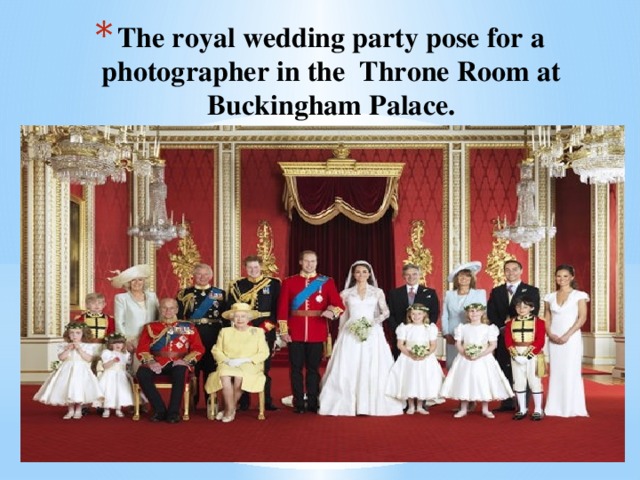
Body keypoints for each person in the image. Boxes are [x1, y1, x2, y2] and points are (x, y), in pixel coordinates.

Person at [319, 260, 403, 416]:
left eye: (364, 272)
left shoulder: (377, 292)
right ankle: (347, 404)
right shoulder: (346, 293)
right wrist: (342, 332)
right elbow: (343, 315)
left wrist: (372, 323)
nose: (361, 274)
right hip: (351, 331)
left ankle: (370, 404)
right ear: (353, 275)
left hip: (372, 332)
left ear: (369, 274)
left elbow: (385, 312)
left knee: (372, 365)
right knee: (349, 365)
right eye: (358, 272)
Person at [277, 250, 344, 414]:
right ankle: (298, 402)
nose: (310, 264)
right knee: (296, 370)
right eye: (306, 261)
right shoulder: (289, 282)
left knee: (314, 370)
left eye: (313, 261)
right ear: (300, 262)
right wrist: (284, 331)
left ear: (317, 262)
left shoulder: (326, 282)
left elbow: (339, 305)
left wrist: (332, 312)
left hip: (317, 331)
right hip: (295, 332)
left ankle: (313, 402)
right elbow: (282, 308)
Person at [136, 298, 205, 423]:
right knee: (142, 373)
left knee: (180, 372)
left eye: (171, 308)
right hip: (157, 361)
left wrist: (185, 361)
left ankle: (173, 412)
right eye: (164, 308)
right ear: (159, 309)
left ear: (177, 309)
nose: (168, 311)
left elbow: (198, 348)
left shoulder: (188, 327)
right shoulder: (150, 327)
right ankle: (159, 410)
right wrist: (151, 362)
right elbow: (142, 349)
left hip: (179, 361)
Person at [439, 303, 514, 419]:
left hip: (483, 358)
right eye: (471, 311)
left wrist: (481, 354)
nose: (474, 314)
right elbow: (458, 343)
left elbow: (493, 345)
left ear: (482, 313)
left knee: (483, 380)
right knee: (465, 381)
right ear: (467, 314)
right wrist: (464, 353)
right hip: (465, 358)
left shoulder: (488, 328)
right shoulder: (463, 328)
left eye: (477, 311)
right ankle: (463, 408)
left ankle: (485, 408)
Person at [228, 255, 281, 411]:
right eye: (250, 267)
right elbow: (232, 309)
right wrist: (245, 326)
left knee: (264, 366)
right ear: (245, 268)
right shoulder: (238, 285)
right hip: (244, 328)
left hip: (266, 328)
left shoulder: (273, 284)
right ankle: (243, 401)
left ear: (261, 267)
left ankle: (266, 400)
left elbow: (277, 309)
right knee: (243, 365)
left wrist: (266, 327)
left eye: (256, 267)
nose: (253, 270)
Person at [487, 260, 540, 411]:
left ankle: (523, 403)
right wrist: (503, 327)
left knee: (524, 368)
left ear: (521, 270)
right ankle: (507, 402)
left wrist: (513, 325)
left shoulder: (531, 290)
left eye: (514, 269)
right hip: (502, 335)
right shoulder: (497, 291)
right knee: (505, 367)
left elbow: (533, 313)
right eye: (508, 270)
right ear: (504, 272)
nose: (511, 273)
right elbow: (491, 312)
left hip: (523, 336)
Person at [204, 303, 270, 423]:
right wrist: (227, 360)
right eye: (237, 316)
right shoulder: (225, 331)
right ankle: (231, 409)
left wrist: (246, 360)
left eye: (243, 316)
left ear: (248, 318)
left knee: (239, 377)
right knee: (224, 375)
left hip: (250, 364)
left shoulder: (258, 331)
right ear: (232, 318)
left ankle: (229, 410)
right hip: (228, 362)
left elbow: (264, 352)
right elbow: (217, 350)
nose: (240, 319)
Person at [177, 262, 228, 407]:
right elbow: (180, 318)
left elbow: (225, 318)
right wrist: (183, 339)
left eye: (206, 274)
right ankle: (192, 400)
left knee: (211, 368)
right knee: (194, 368)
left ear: (211, 276)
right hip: (193, 334)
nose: (202, 277)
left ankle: (211, 400)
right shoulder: (184, 294)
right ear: (193, 276)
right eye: (199, 274)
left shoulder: (219, 293)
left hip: (213, 334)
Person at [543, 264, 590, 417]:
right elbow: (547, 317)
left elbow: (582, 317)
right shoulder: (549, 297)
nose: (561, 279)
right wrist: (550, 334)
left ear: (571, 277)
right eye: (558, 276)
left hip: (571, 338)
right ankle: (554, 407)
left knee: (571, 370)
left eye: (565, 276)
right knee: (556, 371)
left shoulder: (579, 295)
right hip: (554, 338)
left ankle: (571, 407)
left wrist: (568, 335)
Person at [33, 322, 103, 419]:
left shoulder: (87, 346)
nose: (74, 335)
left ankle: (78, 410)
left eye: (78, 333)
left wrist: (79, 349)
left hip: (81, 370)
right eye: (72, 333)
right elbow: (61, 358)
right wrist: (68, 349)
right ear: (68, 334)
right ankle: (70, 410)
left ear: (83, 334)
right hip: (67, 369)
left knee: (79, 388)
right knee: (68, 388)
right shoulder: (63, 345)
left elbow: (88, 359)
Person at [386, 303, 444, 415]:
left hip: (425, 358)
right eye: (413, 314)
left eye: (419, 314)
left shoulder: (429, 328)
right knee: (410, 379)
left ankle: (420, 405)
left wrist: (425, 354)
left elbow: (433, 345)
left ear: (424, 315)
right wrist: (410, 354)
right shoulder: (405, 328)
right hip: (408, 357)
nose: (416, 316)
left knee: (422, 379)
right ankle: (411, 405)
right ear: (409, 315)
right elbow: (400, 344)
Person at [505, 296, 547, 421]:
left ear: (531, 308)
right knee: (518, 381)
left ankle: (538, 409)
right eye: (518, 306)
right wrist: (515, 354)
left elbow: (540, 340)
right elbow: (508, 340)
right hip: (516, 354)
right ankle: (522, 408)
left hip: (533, 354)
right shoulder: (510, 323)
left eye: (525, 306)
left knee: (535, 382)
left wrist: (528, 355)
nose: (521, 309)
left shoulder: (539, 322)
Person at [387, 263, 439, 359]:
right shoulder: (394, 293)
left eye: (414, 274)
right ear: (403, 276)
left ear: (419, 275)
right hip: (401, 336)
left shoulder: (430, 293)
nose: (411, 277)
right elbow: (390, 314)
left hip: (422, 337)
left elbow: (435, 313)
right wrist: (399, 330)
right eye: (408, 274)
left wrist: (426, 329)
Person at [111, 264, 159, 366]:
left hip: (151, 339)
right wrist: (125, 341)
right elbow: (119, 322)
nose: (137, 283)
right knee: (135, 370)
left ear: (144, 281)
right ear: (128, 283)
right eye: (133, 280)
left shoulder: (152, 296)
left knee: (151, 370)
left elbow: (158, 317)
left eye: (140, 279)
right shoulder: (121, 298)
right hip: (132, 341)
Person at [442, 261, 486, 370]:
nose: (464, 279)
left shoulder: (480, 293)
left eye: (467, 276)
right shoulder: (449, 294)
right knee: (453, 364)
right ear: (456, 279)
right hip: (452, 333)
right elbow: (444, 315)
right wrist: (446, 333)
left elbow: (484, 314)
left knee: (470, 363)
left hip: (473, 332)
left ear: (472, 279)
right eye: (461, 276)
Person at [96, 332, 134, 418]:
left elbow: (128, 365)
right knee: (109, 391)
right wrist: (112, 361)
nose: (118, 345)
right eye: (115, 343)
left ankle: (118, 409)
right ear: (110, 344)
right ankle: (106, 409)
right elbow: (105, 366)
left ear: (124, 344)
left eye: (120, 343)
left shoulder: (125, 354)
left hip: (121, 375)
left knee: (119, 391)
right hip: (110, 375)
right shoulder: (107, 353)